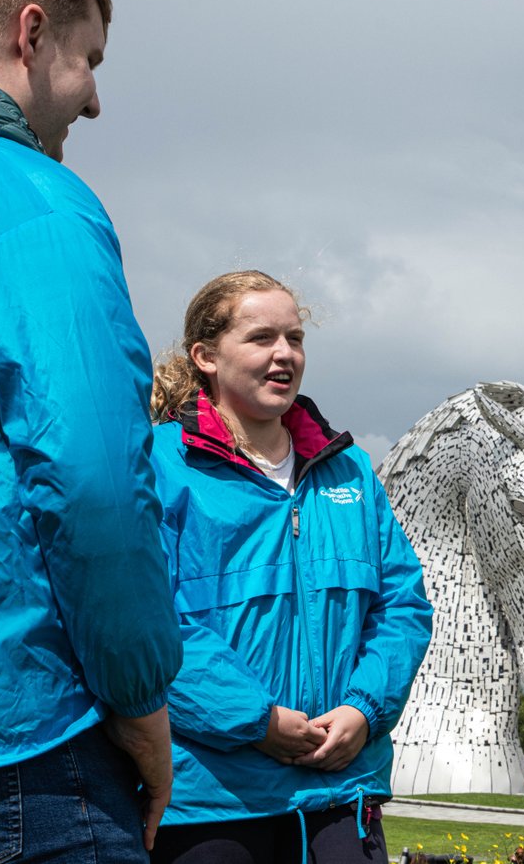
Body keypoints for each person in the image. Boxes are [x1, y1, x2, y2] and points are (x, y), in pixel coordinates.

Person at [0, 0, 184, 860]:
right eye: (90, 61)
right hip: (16, 750)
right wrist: (143, 700)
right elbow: (93, 482)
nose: (95, 102)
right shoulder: (26, 197)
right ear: (30, 35)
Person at [148, 270, 433, 864]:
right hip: (213, 797)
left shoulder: (349, 469)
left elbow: (402, 604)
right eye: (260, 338)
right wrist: (258, 721)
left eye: (295, 338)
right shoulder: (160, 467)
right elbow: (147, 623)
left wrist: (363, 708)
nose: (284, 355)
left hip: (340, 789)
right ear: (205, 355)